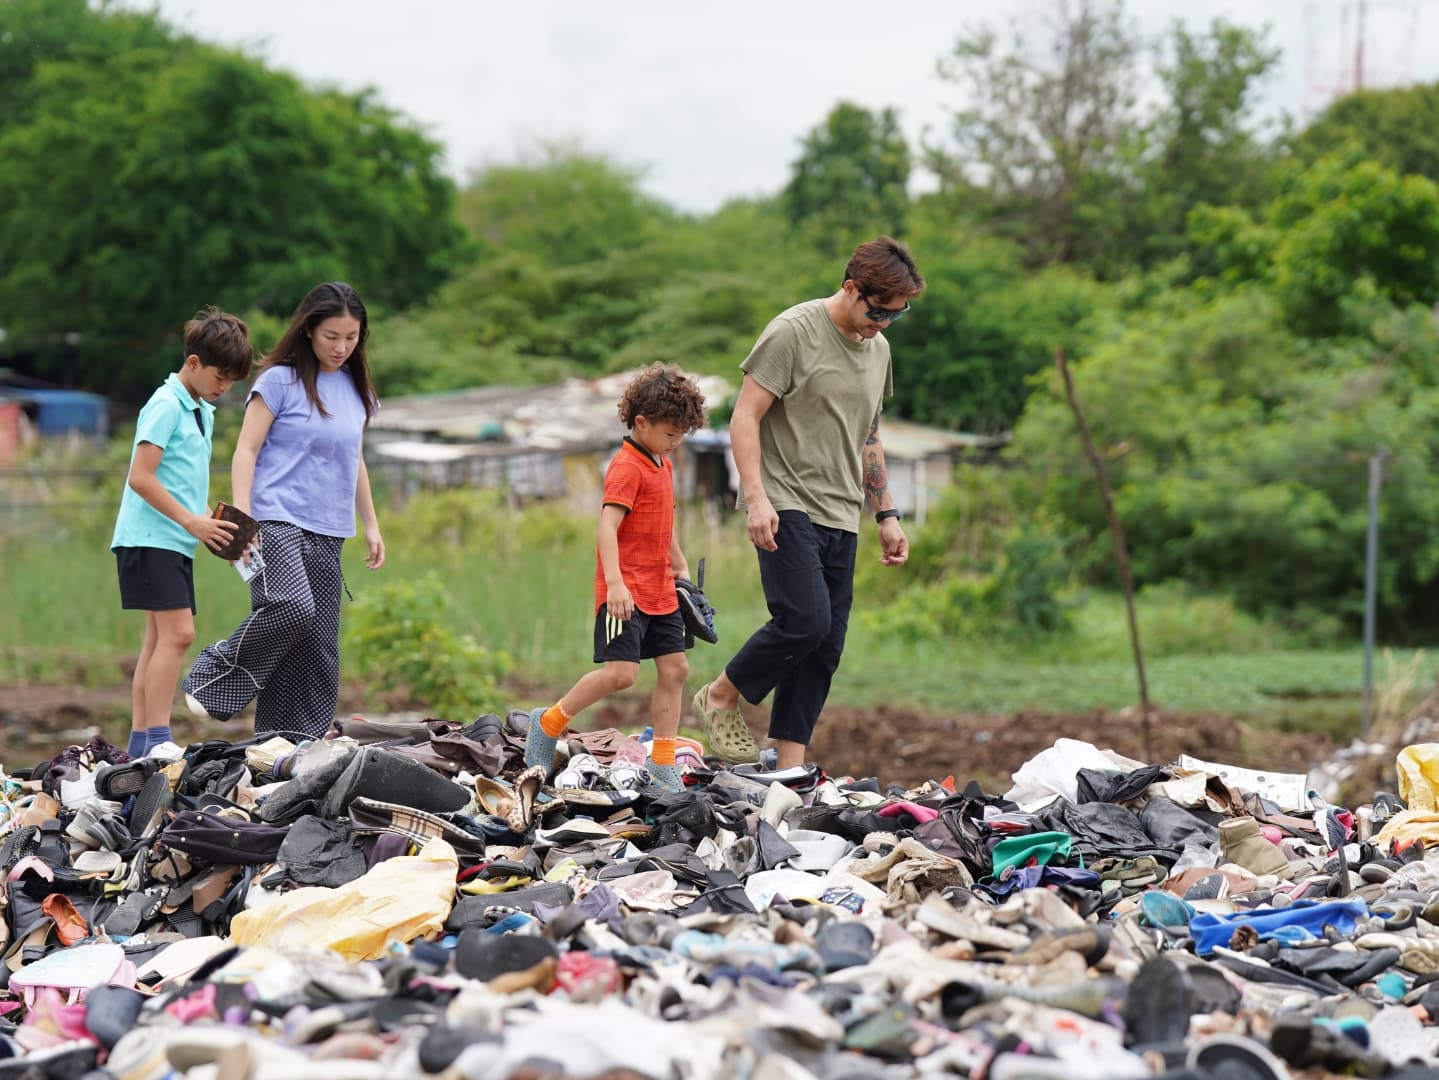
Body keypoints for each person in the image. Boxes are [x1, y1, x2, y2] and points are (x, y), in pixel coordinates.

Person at [691, 236, 924, 770]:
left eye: (896, 315)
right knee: (804, 619)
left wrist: (886, 515)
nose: (883, 324)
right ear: (850, 288)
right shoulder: (792, 332)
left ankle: (790, 765)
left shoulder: (879, 350)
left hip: (842, 509)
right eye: (877, 311)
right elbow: (744, 417)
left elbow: (868, 435)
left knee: (825, 646)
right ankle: (723, 694)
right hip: (785, 499)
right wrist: (755, 500)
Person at [183, 282, 385, 739]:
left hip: (329, 527)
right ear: (310, 330)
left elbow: (355, 459)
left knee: (316, 644)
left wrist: (371, 524)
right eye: (332, 335)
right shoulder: (279, 380)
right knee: (290, 607)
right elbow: (246, 450)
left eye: (351, 338)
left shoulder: (357, 390)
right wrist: (245, 520)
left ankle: (287, 745)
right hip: (275, 518)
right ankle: (213, 678)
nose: (341, 347)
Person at [524, 363, 707, 795]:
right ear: (640, 422)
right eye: (669, 432)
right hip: (623, 592)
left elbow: (665, 521)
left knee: (676, 668)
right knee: (621, 674)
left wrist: (678, 564)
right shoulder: (626, 467)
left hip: (661, 588)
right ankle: (547, 723)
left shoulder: (662, 462)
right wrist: (617, 584)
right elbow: (607, 527)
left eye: (682, 433)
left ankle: (663, 762)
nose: (675, 441)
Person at [111, 308, 254, 759]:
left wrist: (212, 525)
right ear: (193, 363)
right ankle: (157, 738)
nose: (223, 386)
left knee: (158, 640)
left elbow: (178, 477)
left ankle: (140, 742)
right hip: (151, 536)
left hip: (171, 538)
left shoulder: (200, 410)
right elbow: (141, 476)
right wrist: (192, 521)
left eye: (231, 381)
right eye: (218, 375)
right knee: (179, 635)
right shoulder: (166, 403)